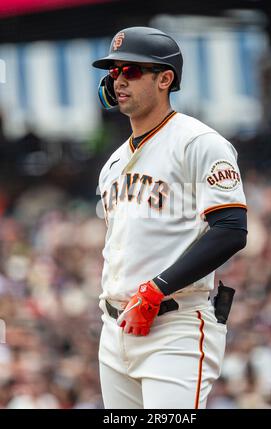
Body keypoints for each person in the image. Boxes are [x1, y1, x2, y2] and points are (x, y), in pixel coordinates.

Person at [93, 26, 247, 409]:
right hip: (115, 327)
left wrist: (158, 287)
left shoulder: (198, 142)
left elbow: (230, 229)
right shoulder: (112, 164)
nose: (119, 80)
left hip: (174, 324)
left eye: (131, 70)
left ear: (165, 79)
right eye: (114, 72)